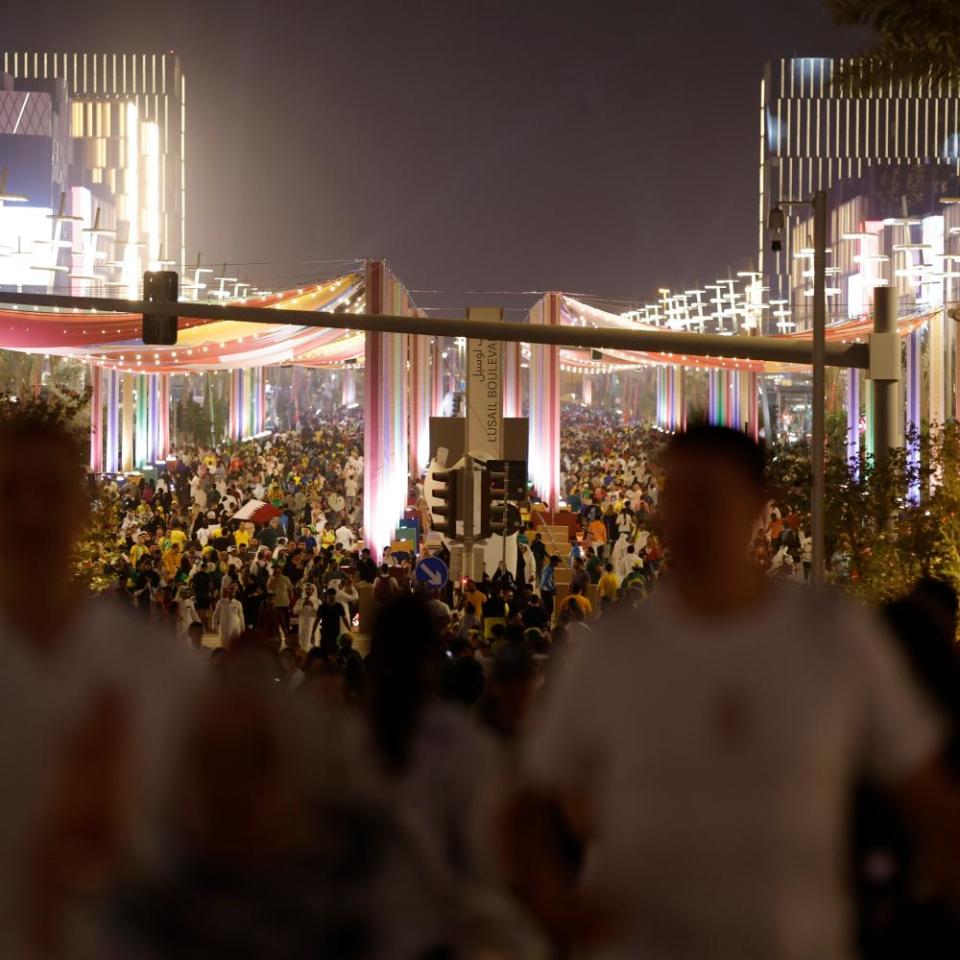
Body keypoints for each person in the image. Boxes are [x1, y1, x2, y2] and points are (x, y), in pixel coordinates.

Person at [511, 424, 960, 960]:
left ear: (756, 506)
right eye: (676, 496)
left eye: (708, 497)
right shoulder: (608, 652)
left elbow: (932, 802)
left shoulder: (835, 640)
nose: (688, 519)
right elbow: (523, 807)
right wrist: (556, 907)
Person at [0, 410, 200, 958]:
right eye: (9, 490)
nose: (29, 513)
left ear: (82, 509)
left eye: (50, 490)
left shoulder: (155, 668)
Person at [314, 587, 351, 656]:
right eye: (330, 595)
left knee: (335, 651)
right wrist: (313, 632)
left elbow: (344, 618)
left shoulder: (339, 606)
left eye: (333, 595)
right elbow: (317, 620)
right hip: (325, 632)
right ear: (327, 596)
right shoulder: (322, 607)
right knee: (324, 651)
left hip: (335, 632)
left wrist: (349, 629)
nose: (332, 597)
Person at [292, 582, 319, 649]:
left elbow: (320, 613)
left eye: (310, 589)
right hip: (303, 623)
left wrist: (313, 605)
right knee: (302, 640)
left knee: (312, 641)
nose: (308, 590)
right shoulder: (300, 600)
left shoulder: (317, 601)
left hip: (313, 623)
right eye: (307, 589)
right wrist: (302, 605)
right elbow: (295, 612)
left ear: (313, 590)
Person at [539, 555, 560, 624]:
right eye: (557, 562)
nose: (558, 564)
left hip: (547, 591)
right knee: (547, 609)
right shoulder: (547, 569)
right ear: (553, 562)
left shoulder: (551, 569)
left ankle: (548, 622)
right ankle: (546, 623)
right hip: (545, 591)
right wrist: (552, 589)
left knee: (550, 609)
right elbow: (545, 582)